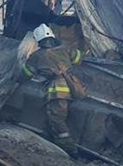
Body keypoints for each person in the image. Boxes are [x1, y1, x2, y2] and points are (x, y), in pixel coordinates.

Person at [21, 24, 83, 155]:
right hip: (72, 87)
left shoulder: (37, 56)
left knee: (57, 120)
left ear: (38, 40)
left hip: (57, 92)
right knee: (54, 118)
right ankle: (51, 141)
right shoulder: (65, 49)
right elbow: (78, 58)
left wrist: (15, 79)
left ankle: (70, 150)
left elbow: (26, 74)